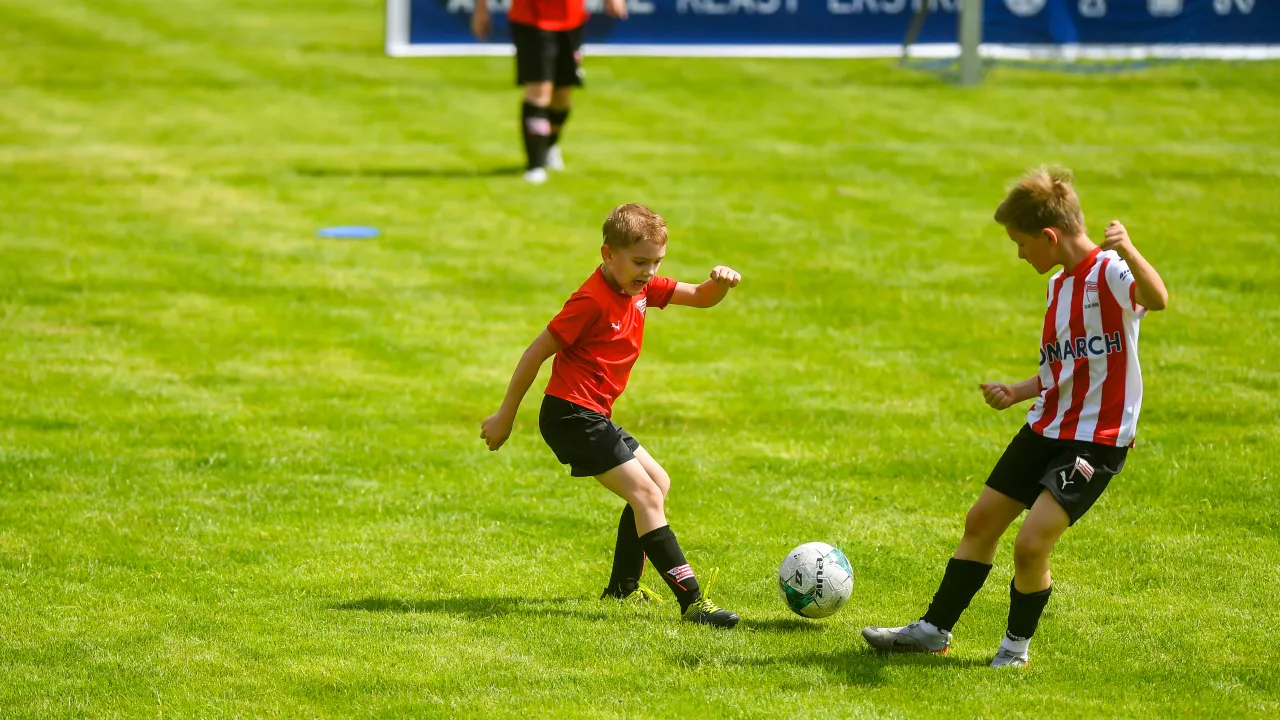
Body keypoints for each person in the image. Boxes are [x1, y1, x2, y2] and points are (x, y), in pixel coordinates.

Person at [861, 167, 1170, 667]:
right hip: (1045, 424)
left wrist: (1130, 249)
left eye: (1021, 243)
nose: (1020, 253)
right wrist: (1017, 390)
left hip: (1094, 440)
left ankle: (1014, 649)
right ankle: (932, 630)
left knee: (1030, 544)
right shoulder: (1057, 290)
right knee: (981, 521)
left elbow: (1157, 299)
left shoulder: (1110, 270)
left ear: (1049, 236)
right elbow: (1063, 369)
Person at [480, 203, 743, 627]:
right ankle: (693, 603)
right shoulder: (590, 301)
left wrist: (720, 282)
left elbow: (699, 296)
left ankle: (622, 589)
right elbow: (535, 353)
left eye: (656, 262)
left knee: (658, 482)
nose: (649, 271)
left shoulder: (638, 287)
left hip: (592, 414)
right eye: (640, 262)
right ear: (608, 255)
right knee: (647, 495)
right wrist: (505, 416)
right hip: (570, 415)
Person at [472, 0, 629, 184]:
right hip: (531, 20)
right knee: (539, 91)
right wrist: (481, 10)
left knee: (562, 95)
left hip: (572, 20)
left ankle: (549, 144)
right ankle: (535, 166)